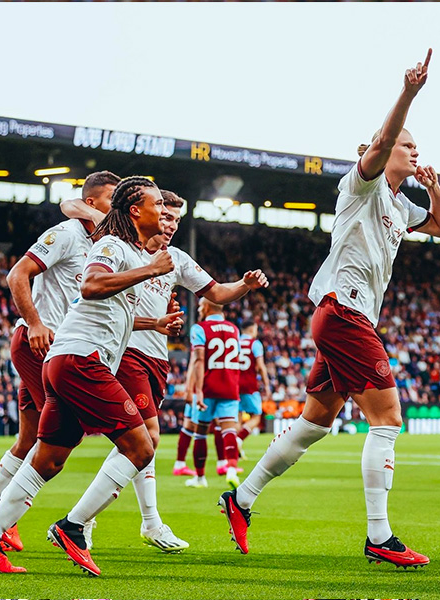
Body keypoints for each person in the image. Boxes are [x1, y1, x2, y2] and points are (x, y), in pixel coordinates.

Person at [219, 49, 440, 568]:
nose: (412, 151)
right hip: (343, 312)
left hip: (346, 318)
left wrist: (435, 188)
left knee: (315, 423)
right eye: (405, 146)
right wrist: (408, 94)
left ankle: (240, 499)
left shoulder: (398, 204)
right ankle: (379, 537)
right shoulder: (361, 184)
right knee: (388, 417)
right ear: (379, 148)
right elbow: (384, 142)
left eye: (417, 147)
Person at [0, 176, 181, 576]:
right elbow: (92, 285)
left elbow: (115, 312)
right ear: (136, 211)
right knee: (142, 447)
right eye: (156, 204)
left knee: (47, 458)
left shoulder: (130, 250)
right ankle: (73, 527)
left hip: (69, 358)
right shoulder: (112, 246)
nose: (164, 213)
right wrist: (148, 269)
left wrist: (156, 323)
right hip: (82, 359)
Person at [60, 189, 267, 552]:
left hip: (157, 358)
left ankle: (134, 520)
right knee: (147, 437)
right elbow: (72, 204)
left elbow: (217, 293)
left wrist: (245, 287)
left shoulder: (177, 259)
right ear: (148, 214)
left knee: (139, 444)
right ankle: (84, 520)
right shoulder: (124, 247)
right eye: (166, 216)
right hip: (126, 351)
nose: (170, 225)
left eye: (176, 220)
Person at [0, 170, 117, 551]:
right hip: (41, 343)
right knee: (63, 434)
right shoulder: (66, 233)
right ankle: (1, 520)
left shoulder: (102, 246)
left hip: (57, 347)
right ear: (92, 203)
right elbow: (18, 274)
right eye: (113, 200)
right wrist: (34, 322)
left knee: (30, 438)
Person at [185, 298, 243, 490]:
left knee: (200, 432)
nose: (200, 309)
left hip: (209, 386)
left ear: (207, 307)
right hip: (230, 385)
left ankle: (200, 478)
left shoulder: (199, 329)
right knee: (229, 430)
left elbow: (199, 359)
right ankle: (232, 469)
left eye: (201, 306)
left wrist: (198, 390)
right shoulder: (234, 329)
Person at [236, 320, 272, 454]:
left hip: (234, 384)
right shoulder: (255, 344)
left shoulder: (235, 342)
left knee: (237, 417)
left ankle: (234, 449)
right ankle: (238, 439)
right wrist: (267, 385)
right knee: (257, 416)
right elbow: (261, 366)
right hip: (249, 384)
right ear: (252, 330)